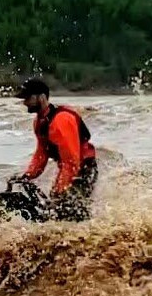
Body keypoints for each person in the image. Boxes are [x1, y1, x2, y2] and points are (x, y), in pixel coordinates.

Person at [11, 78, 97, 222]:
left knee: (67, 208)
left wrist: (59, 190)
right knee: (59, 207)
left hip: (84, 169)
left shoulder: (61, 121)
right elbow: (41, 154)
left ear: (42, 97)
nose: (25, 102)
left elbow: (71, 162)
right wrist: (27, 176)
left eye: (28, 98)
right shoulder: (40, 121)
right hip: (70, 168)